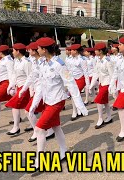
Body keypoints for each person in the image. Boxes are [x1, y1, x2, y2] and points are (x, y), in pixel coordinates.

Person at [30, 37, 88, 168]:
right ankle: (64, 151)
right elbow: (41, 84)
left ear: (44, 50)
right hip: (48, 100)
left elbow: (71, 84)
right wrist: (35, 102)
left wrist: (80, 105)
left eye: (38, 48)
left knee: (39, 129)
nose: (37, 50)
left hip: (57, 101)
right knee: (56, 127)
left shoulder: (59, 65)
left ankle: (40, 160)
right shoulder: (43, 63)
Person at [18, 42, 55, 142]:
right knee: (42, 111)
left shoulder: (43, 62)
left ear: (35, 51)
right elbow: (32, 76)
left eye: (30, 49)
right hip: (37, 90)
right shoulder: (34, 61)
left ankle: (37, 131)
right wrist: (26, 89)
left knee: (28, 110)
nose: (28, 51)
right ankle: (49, 131)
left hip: (43, 90)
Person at [5, 43, 32, 135]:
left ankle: (16, 127)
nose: (12, 52)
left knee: (15, 105)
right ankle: (33, 125)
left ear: (18, 51)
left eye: (13, 50)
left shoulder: (26, 62)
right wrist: (11, 85)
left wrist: (31, 91)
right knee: (27, 108)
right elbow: (14, 75)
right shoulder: (16, 61)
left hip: (25, 87)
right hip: (19, 86)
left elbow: (30, 77)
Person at [90, 42, 113, 129]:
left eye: (96, 50)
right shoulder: (98, 60)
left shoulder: (108, 61)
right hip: (101, 83)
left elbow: (112, 74)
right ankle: (109, 116)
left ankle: (100, 118)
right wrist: (91, 85)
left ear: (100, 51)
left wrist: (112, 86)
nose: (95, 51)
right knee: (105, 101)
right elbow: (96, 73)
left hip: (107, 83)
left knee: (99, 100)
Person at [66, 44, 90, 120]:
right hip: (72, 79)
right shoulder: (69, 59)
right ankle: (79, 110)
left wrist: (87, 84)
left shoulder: (82, 59)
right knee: (75, 95)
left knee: (74, 94)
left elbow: (86, 72)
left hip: (80, 78)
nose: (70, 51)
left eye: (72, 50)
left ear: (76, 51)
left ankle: (75, 112)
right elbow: (68, 70)